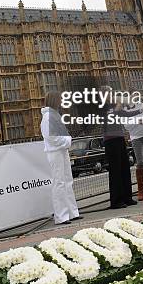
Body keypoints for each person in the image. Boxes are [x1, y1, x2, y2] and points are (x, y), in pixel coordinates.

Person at [40, 91, 81, 225]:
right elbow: (51, 138)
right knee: (59, 183)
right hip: (54, 152)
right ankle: (61, 216)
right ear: (54, 101)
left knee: (68, 180)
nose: (62, 102)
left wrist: (67, 139)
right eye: (60, 100)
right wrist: (67, 141)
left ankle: (72, 212)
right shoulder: (47, 118)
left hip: (62, 151)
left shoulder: (56, 116)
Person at [101, 86, 137, 209]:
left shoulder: (114, 106)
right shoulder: (102, 107)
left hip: (120, 138)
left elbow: (125, 114)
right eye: (110, 93)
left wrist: (142, 110)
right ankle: (116, 201)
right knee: (115, 170)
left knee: (125, 167)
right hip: (110, 141)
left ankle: (127, 197)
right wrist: (118, 105)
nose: (112, 95)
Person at [117, 95, 143, 201]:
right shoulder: (125, 111)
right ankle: (141, 191)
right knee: (140, 162)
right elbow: (127, 126)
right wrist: (140, 120)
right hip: (136, 138)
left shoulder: (142, 106)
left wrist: (138, 121)